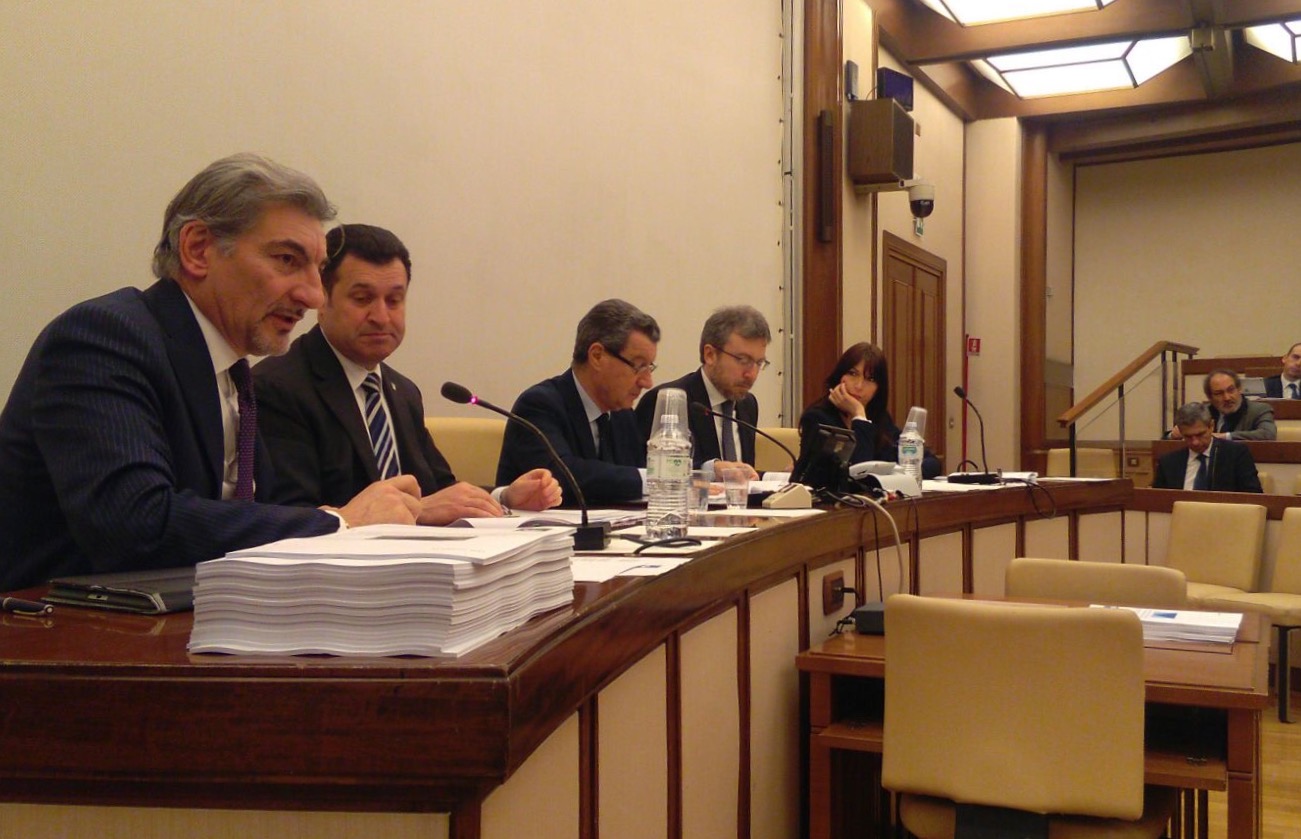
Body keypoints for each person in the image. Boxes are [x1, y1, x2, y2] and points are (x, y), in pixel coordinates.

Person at [0, 154, 421, 592]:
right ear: (198, 249)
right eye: (287, 260)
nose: (313, 295)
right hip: (57, 626)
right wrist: (336, 523)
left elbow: (254, 515)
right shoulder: (104, 338)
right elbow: (134, 523)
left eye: (316, 268)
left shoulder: (231, 369)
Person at [253, 223, 561, 523]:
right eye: (362, 299)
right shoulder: (279, 387)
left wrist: (504, 497)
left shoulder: (402, 391)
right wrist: (416, 510)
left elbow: (440, 491)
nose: (381, 316)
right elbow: (291, 517)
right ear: (323, 299)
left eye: (394, 300)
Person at [496, 299, 660, 505]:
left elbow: (631, 475)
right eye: (638, 366)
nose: (647, 382)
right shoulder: (538, 405)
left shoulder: (622, 414)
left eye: (649, 368)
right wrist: (654, 480)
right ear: (597, 356)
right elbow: (562, 475)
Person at [635, 305, 770, 480]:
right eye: (743, 360)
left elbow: (741, 475)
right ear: (710, 355)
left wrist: (783, 477)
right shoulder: (668, 401)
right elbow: (648, 472)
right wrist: (709, 470)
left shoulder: (748, 404)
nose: (751, 374)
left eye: (759, 363)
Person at [791, 342, 941, 491]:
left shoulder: (879, 419)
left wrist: (901, 473)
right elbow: (859, 477)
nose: (859, 386)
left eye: (870, 379)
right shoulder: (817, 418)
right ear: (840, 376)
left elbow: (932, 462)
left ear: (878, 389)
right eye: (853, 374)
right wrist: (858, 414)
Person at [1152, 402, 1262, 492]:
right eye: (1188, 437)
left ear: (1211, 426)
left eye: (1200, 434)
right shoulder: (1168, 463)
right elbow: (1158, 502)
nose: (1195, 442)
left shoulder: (1236, 455)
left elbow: (1253, 496)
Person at [1171, 369, 1275, 442]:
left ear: (1239, 389)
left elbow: (1268, 434)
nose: (1227, 398)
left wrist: (1224, 436)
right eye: (1219, 393)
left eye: (1231, 390)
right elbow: (1171, 435)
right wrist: (1173, 435)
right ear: (1210, 397)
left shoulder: (1259, 410)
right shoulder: (1203, 412)